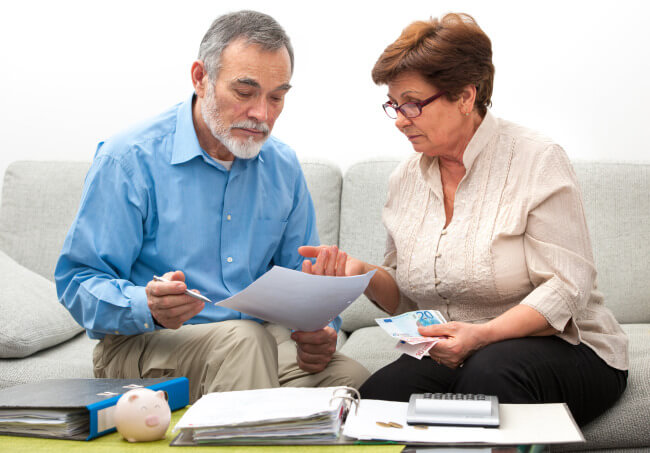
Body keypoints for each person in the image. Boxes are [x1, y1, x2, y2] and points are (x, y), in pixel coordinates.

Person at [299, 12, 628, 426]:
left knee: (490, 376)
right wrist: (363, 273)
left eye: (413, 103)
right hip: (460, 351)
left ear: (465, 97)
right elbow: (409, 298)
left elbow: (566, 290)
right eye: (394, 105)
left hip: (567, 347)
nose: (400, 119)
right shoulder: (405, 179)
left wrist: (483, 335)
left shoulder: (536, 160)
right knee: (377, 402)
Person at [55, 10, 369, 403]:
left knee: (352, 379)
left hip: (252, 345)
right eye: (245, 92)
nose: (262, 114)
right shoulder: (129, 159)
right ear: (200, 78)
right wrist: (146, 305)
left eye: (276, 97)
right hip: (148, 344)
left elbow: (300, 281)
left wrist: (319, 332)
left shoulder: (282, 166)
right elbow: (77, 281)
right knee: (245, 342)